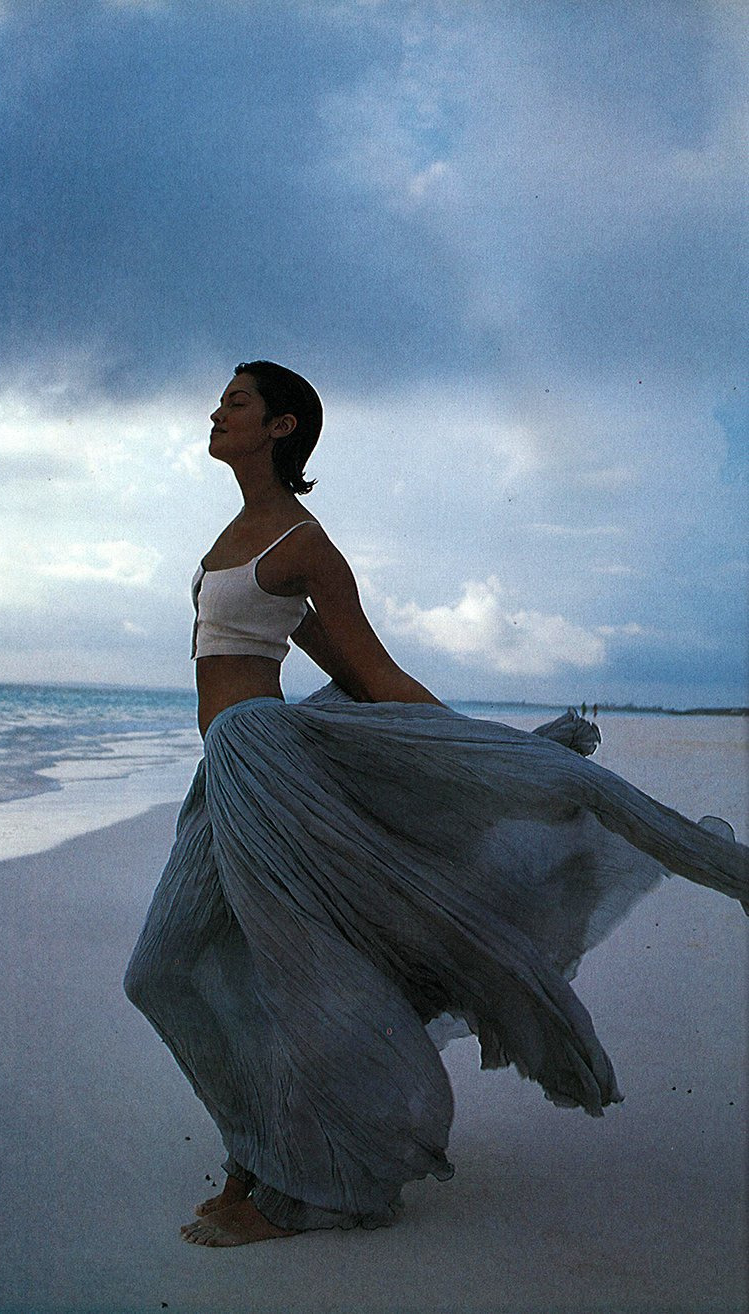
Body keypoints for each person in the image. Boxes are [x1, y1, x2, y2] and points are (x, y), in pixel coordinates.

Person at [123, 361, 748, 1248]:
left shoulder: (303, 543)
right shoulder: (230, 537)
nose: (216, 413)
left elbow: (374, 673)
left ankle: (287, 1182)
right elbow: (332, 670)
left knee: (296, 975)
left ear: (281, 427)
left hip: (260, 760)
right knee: (159, 970)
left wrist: (482, 754)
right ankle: (259, 1151)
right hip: (225, 774)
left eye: (237, 402)